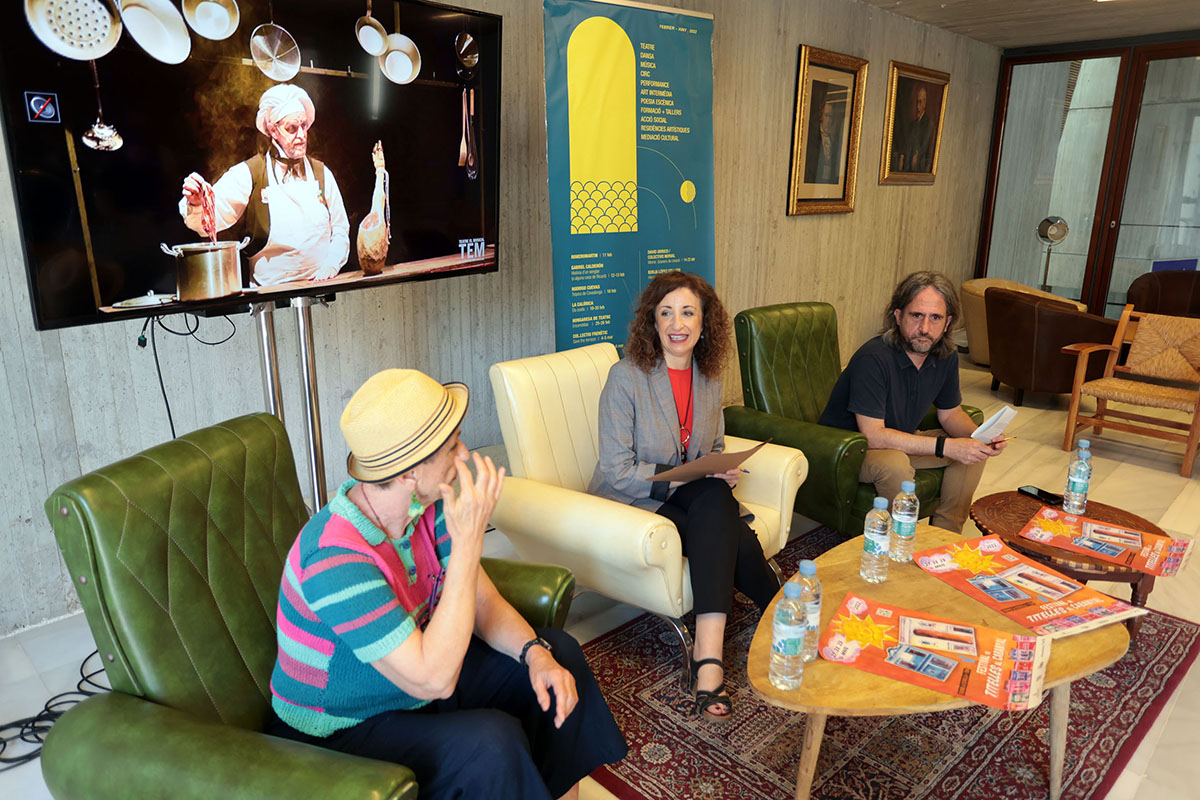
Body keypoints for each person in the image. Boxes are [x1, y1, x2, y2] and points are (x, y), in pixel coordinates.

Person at [267, 369, 627, 800]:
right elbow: (432, 680)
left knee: (558, 656)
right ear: (410, 473)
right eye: (452, 446)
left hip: (407, 685)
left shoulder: (426, 506)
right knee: (491, 743)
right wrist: (471, 538)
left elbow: (482, 603)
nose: (464, 453)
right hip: (342, 726)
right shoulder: (333, 558)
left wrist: (535, 655)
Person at [589, 270, 779, 723]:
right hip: (633, 500)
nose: (678, 323)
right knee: (718, 511)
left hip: (692, 497)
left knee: (715, 499)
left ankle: (707, 657)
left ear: (703, 322)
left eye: (688, 312)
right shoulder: (626, 377)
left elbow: (710, 449)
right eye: (667, 312)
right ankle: (780, 608)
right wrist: (686, 477)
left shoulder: (708, 378)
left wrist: (721, 468)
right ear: (652, 323)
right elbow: (616, 471)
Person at [819, 271, 1007, 533]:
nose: (925, 328)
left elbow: (950, 414)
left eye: (935, 318)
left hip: (898, 440)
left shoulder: (946, 356)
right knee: (895, 463)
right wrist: (946, 447)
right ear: (898, 316)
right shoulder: (873, 359)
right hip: (849, 449)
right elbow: (872, 437)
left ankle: (944, 538)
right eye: (916, 316)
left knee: (973, 451)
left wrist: (981, 437)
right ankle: (897, 543)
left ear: (948, 322)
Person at [179, 83, 350, 286]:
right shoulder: (250, 173)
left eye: (304, 126)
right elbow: (212, 218)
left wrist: (331, 264)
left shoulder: (321, 173)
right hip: (271, 291)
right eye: (292, 128)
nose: (302, 135)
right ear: (273, 130)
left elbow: (341, 227)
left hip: (322, 284)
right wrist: (197, 203)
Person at [896, 85, 933, 173]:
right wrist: (902, 156)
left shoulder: (927, 123)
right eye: (917, 102)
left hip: (919, 164)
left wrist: (917, 154)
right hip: (908, 161)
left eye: (920, 102)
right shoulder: (913, 124)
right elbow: (908, 141)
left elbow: (924, 145)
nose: (917, 106)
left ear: (925, 103)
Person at [804, 99, 841, 185]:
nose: (829, 120)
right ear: (821, 116)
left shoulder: (833, 141)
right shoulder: (812, 139)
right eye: (827, 115)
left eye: (831, 116)